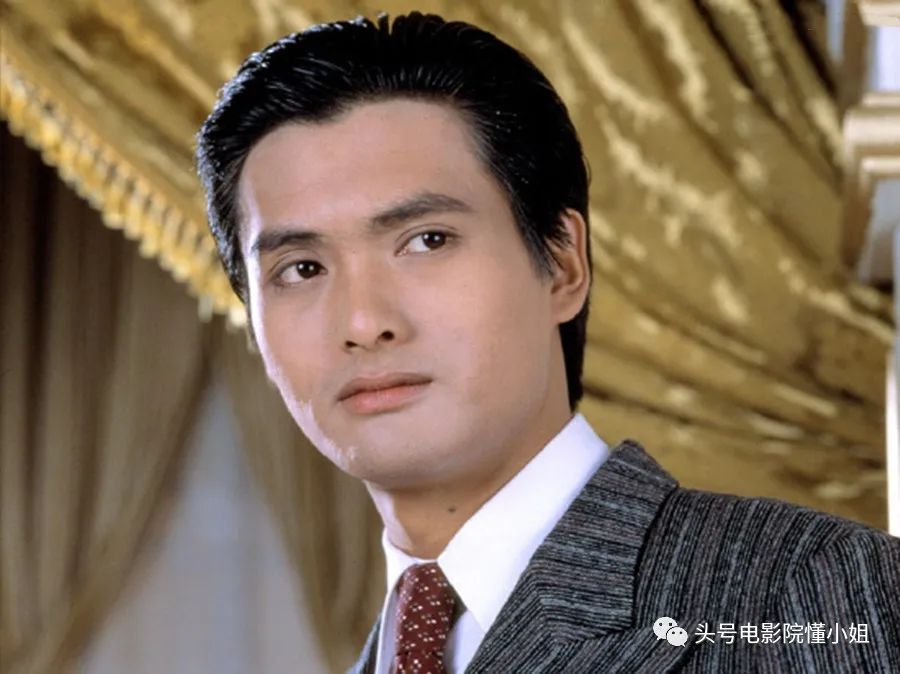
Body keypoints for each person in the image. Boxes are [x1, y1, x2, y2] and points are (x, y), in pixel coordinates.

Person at [196, 12, 900, 673]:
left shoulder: (808, 593)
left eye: (427, 240)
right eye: (301, 269)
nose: (362, 322)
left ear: (562, 263)